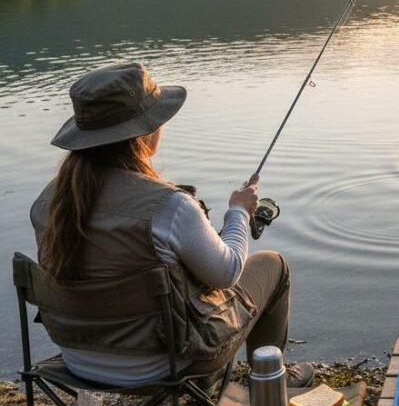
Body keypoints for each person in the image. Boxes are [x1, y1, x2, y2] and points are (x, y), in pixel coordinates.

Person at [30, 62, 315, 388]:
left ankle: (211, 381)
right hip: (164, 362)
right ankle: (269, 380)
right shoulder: (170, 206)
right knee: (272, 265)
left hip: (78, 359)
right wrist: (238, 212)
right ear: (147, 132)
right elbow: (228, 273)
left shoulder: (47, 202)